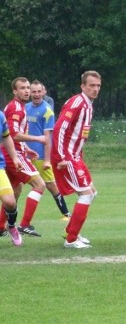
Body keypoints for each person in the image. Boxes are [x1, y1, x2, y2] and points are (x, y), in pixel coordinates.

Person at [52, 70, 102, 249]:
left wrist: (78, 155)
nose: (95, 89)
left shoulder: (88, 105)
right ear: (83, 86)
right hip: (66, 157)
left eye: (98, 86)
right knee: (86, 194)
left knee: (92, 193)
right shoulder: (77, 103)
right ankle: (71, 239)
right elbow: (59, 129)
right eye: (91, 85)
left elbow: (79, 134)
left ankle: (71, 230)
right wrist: (61, 157)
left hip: (75, 156)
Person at [0, 77, 47, 238]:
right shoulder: (16, 108)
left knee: (16, 190)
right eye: (22, 88)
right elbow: (12, 135)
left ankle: (0, 226)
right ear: (14, 91)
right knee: (39, 185)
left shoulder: (19, 107)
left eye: (28, 87)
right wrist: (38, 139)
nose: (27, 91)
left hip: (15, 152)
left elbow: (11, 134)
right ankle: (25, 225)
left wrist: (26, 148)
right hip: (13, 155)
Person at [26, 80, 71, 221]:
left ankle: (66, 214)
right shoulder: (25, 108)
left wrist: (47, 160)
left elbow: (48, 137)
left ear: (44, 92)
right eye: (33, 91)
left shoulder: (47, 111)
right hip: (24, 154)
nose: (36, 94)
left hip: (39, 156)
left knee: (51, 185)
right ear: (29, 93)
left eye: (39, 91)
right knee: (14, 185)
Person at [0, 111, 24, 246]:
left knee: (10, 202)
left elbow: (7, 136)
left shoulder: (1, 116)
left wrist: (15, 158)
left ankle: (11, 225)